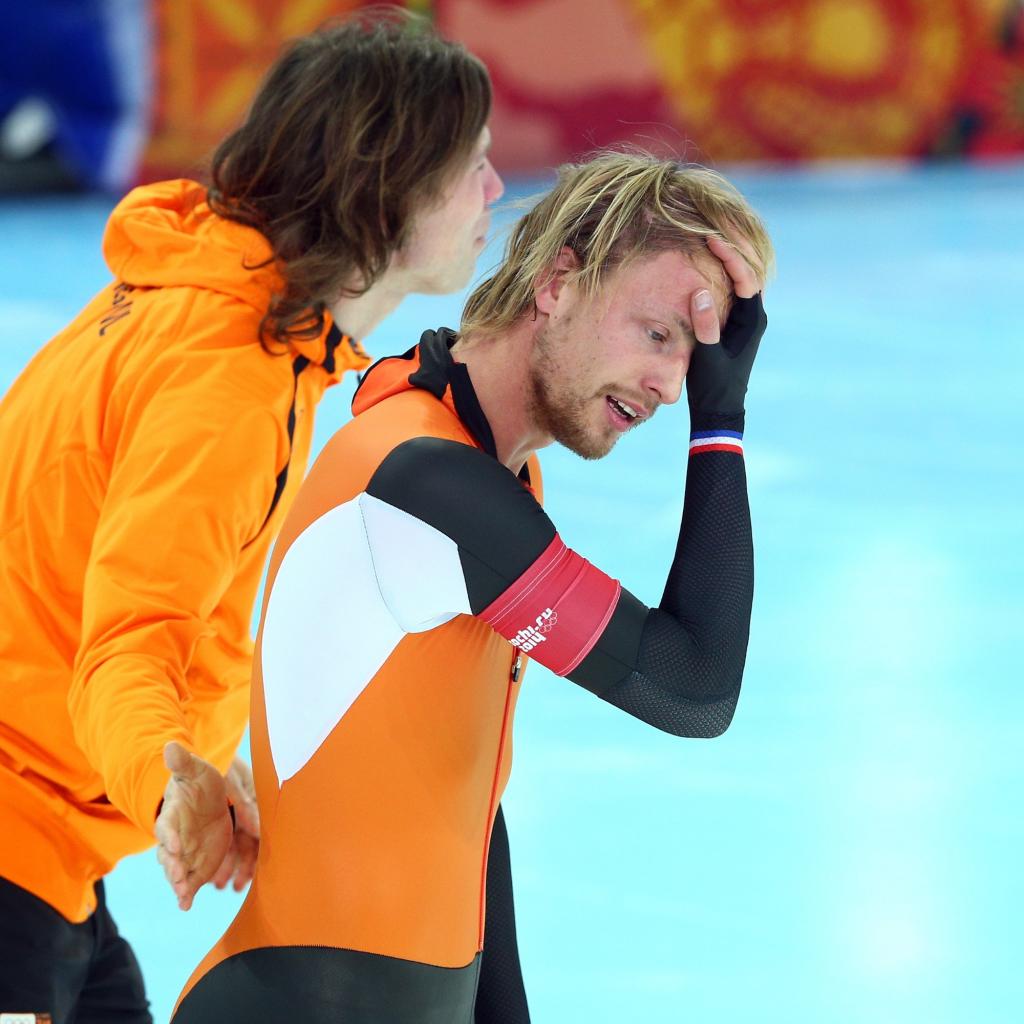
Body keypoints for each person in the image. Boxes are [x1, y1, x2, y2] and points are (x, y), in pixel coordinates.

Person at [168, 151, 774, 1023]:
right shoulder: (428, 483)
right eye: (657, 334)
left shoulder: (485, 466)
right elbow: (695, 688)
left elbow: (463, 805)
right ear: (557, 283)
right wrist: (721, 423)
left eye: (697, 356)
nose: (672, 385)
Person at [0, 9, 503, 1023]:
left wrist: (197, 754)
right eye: (472, 165)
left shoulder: (210, 303)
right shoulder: (228, 382)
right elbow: (127, 642)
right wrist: (170, 783)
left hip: (49, 849)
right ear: (390, 188)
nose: (495, 190)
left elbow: (74, 569)